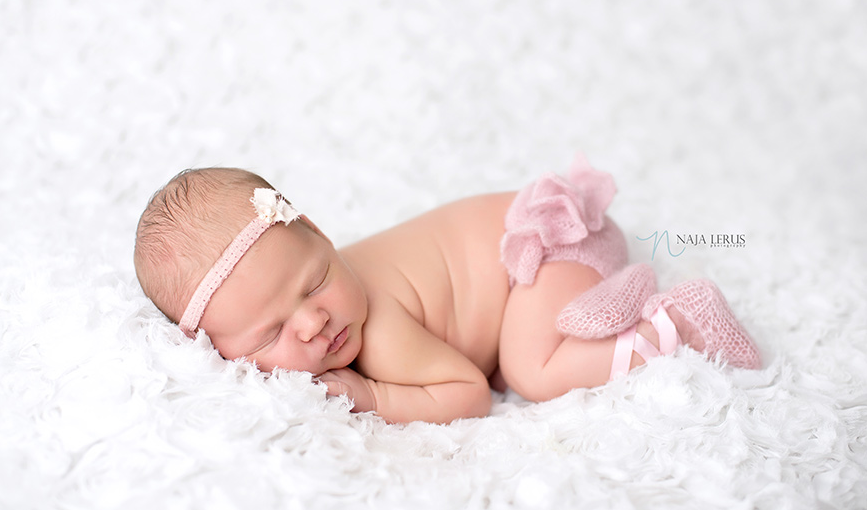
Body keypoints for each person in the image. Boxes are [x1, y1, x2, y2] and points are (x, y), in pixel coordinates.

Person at [133, 154, 760, 424]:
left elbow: (467, 393)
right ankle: (604, 301)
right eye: (271, 333)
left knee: (530, 370)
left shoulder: (372, 331)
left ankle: (675, 322)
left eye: (316, 280)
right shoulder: (314, 292)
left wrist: (374, 398)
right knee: (530, 347)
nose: (315, 323)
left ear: (319, 235)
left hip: (547, 242)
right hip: (548, 259)